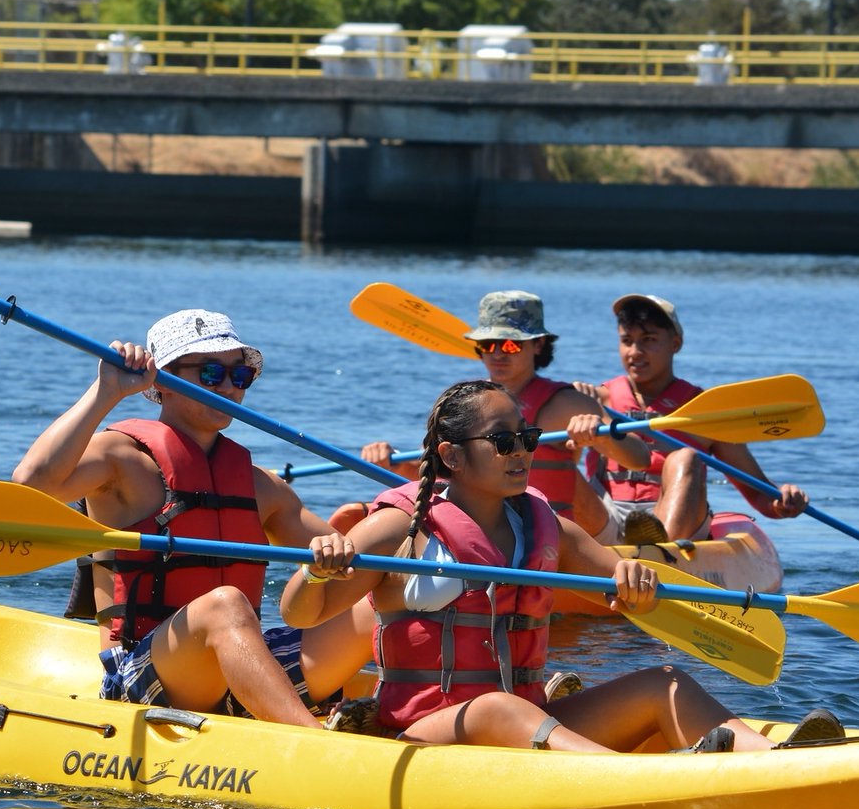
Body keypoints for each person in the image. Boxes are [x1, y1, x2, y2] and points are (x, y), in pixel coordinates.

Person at [283, 378, 813, 754]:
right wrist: (317, 571)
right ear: (453, 456)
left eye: (527, 438)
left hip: (529, 719)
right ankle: (635, 781)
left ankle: (772, 762)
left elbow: (618, 582)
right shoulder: (399, 527)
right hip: (425, 734)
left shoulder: (546, 526)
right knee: (497, 707)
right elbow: (300, 614)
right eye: (502, 441)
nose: (521, 452)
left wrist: (634, 582)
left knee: (665, 681)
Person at [13, 308, 373, 727]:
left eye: (240, 375)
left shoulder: (260, 485)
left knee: (373, 603)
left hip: (239, 670)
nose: (228, 387)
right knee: (225, 605)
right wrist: (106, 392)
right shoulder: (120, 460)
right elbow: (31, 485)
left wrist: (340, 549)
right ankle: (313, 741)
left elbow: (356, 567)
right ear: (163, 379)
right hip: (144, 673)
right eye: (211, 373)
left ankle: (403, 708)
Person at [360, 290, 649, 534]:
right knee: (352, 514)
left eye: (510, 344)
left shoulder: (566, 403)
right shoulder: (467, 402)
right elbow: (440, 474)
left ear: (538, 344)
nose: (498, 354)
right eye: (488, 344)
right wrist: (393, 461)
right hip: (487, 528)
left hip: (553, 534)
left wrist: (602, 436)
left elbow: (640, 459)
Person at [581, 293, 810, 546]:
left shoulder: (706, 412)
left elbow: (758, 492)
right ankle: (562, 544)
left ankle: (661, 551)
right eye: (627, 341)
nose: (635, 352)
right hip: (606, 517)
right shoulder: (597, 400)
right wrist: (569, 402)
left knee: (686, 457)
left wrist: (783, 501)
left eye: (649, 340)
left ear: (675, 343)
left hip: (674, 524)